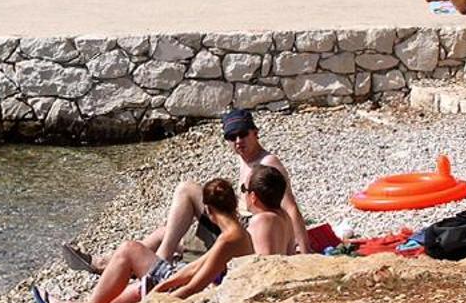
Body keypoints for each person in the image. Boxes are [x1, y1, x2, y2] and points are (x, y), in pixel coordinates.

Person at [64, 109, 308, 274]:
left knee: (187, 189)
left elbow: (290, 208)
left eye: (243, 134)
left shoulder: (268, 163)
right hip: (237, 221)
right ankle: (103, 262)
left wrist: (305, 255)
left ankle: (158, 263)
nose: (237, 142)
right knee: (165, 230)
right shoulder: (245, 158)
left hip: (245, 230)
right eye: (231, 137)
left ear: (255, 133)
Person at [44, 169, 291, 303]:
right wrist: (164, 286)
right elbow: (195, 269)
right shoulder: (244, 231)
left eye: (245, 188)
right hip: (198, 284)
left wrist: (157, 302)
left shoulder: (244, 231)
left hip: (205, 295)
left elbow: (196, 283)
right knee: (148, 264)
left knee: (130, 250)